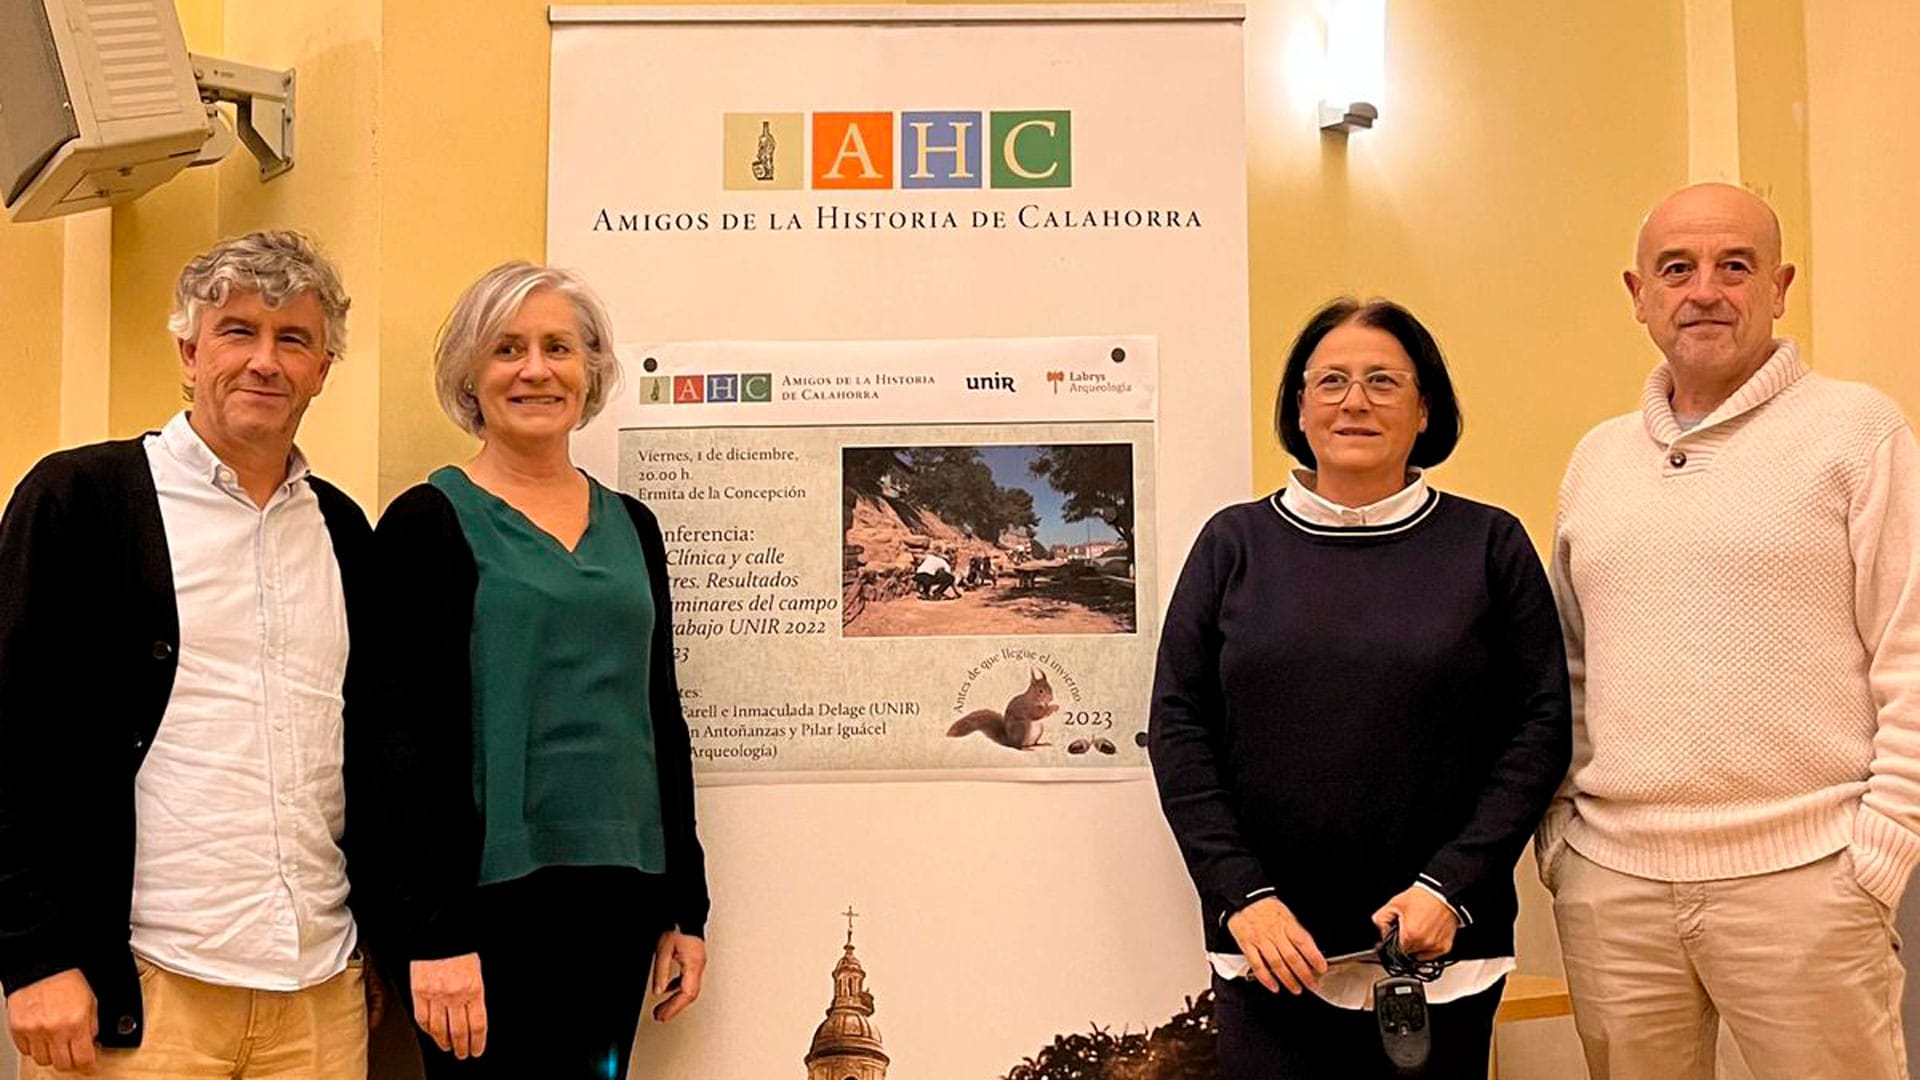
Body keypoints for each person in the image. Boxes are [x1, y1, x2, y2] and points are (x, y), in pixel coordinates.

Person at [1540, 182, 1920, 1080]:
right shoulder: (1596, 460)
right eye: (1678, 268)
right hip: (1614, 887)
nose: (1704, 290)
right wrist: (1563, 837)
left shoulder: (1858, 431)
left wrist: (1880, 849)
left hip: (1808, 876)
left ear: (1781, 286)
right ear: (1638, 294)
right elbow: (1572, 667)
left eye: (1734, 266)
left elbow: (1911, 647)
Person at [1149, 298, 1571, 1079]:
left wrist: (1452, 886)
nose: (1355, 400)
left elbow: (1540, 729)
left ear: (1424, 410)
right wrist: (1242, 896)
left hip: (1440, 952)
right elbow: (1179, 729)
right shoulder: (1232, 545)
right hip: (1270, 953)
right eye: (1332, 380)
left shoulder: (1489, 545)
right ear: (1299, 408)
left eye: (1383, 380)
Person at [0, 231, 374, 1078]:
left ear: (322, 370)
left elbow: (371, 755)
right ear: (188, 350)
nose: (265, 362)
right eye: (238, 330)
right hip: (140, 991)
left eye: (294, 339)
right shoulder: (79, 501)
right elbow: (11, 733)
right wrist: (33, 955)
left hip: (317, 993)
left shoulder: (343, 532)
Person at [369, 261, 709, 1079]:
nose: (535, 369)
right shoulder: (426, 524)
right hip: (483, 906)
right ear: (469, 377)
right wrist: (432, 933)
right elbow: (396, 742)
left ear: (590, 370)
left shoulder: (635, 526)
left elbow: (660, 711)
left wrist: (686, 908)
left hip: (621, 893)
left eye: (559, 347)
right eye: (507, 349)